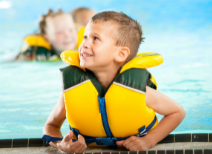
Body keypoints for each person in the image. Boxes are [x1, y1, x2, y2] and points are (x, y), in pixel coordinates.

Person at [43, 11, 185, 153]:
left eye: (95, 39)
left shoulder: (137, 90)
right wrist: (61, 144)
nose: (84, 44)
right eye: (85, 37)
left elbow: (177, 112)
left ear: (121, 54)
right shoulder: (73, 88)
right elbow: (51, 126)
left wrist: (148, 140)